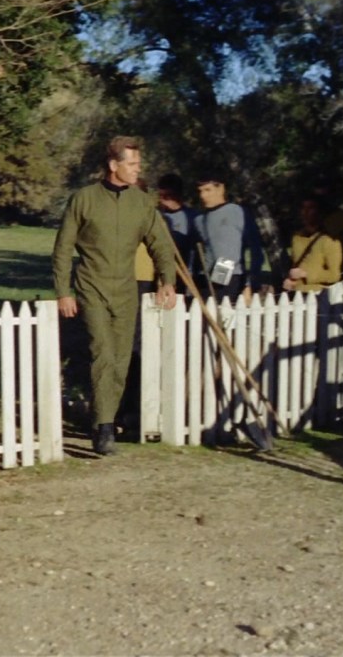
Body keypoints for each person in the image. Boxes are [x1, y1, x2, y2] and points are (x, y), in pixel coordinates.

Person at [53, 136, 177, 455]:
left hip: (126, 290)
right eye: (132, 164)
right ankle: (104, 427)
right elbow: (64, 248)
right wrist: (64, 292)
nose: (138, 169)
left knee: (121, 360)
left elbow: (161, 245)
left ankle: (105, 421)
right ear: (114, 165)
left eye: (138, 164)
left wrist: (167, 280)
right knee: (102, 352)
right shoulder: (84, 199)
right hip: (91, 287)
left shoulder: (142, 203)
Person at [193, 172, 264, 303]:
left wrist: (249, 284)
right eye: (200, 191)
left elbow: (255, 250)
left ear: (221, 188)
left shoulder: (236, 212)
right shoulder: (199, 219)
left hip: (232, 279)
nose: (203, 196)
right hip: (205, 280)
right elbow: (196, 254)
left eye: (208, 190)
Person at [282, 195, 343, 293]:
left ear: (319, 212)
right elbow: (295, 267)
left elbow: (334, 275)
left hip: (318, 296)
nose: (305, 212)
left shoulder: (329, 241)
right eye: (303, 208)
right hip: (297, 295)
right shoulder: (297, 238)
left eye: (310, 208)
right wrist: (290, 281)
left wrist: (306, 274)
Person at [156, 172, 200, 290]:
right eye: (160, 196)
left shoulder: (192, 217)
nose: (162, 200)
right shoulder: (157, 216)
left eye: (167, 196)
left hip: (184, 273)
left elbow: (195, 250)